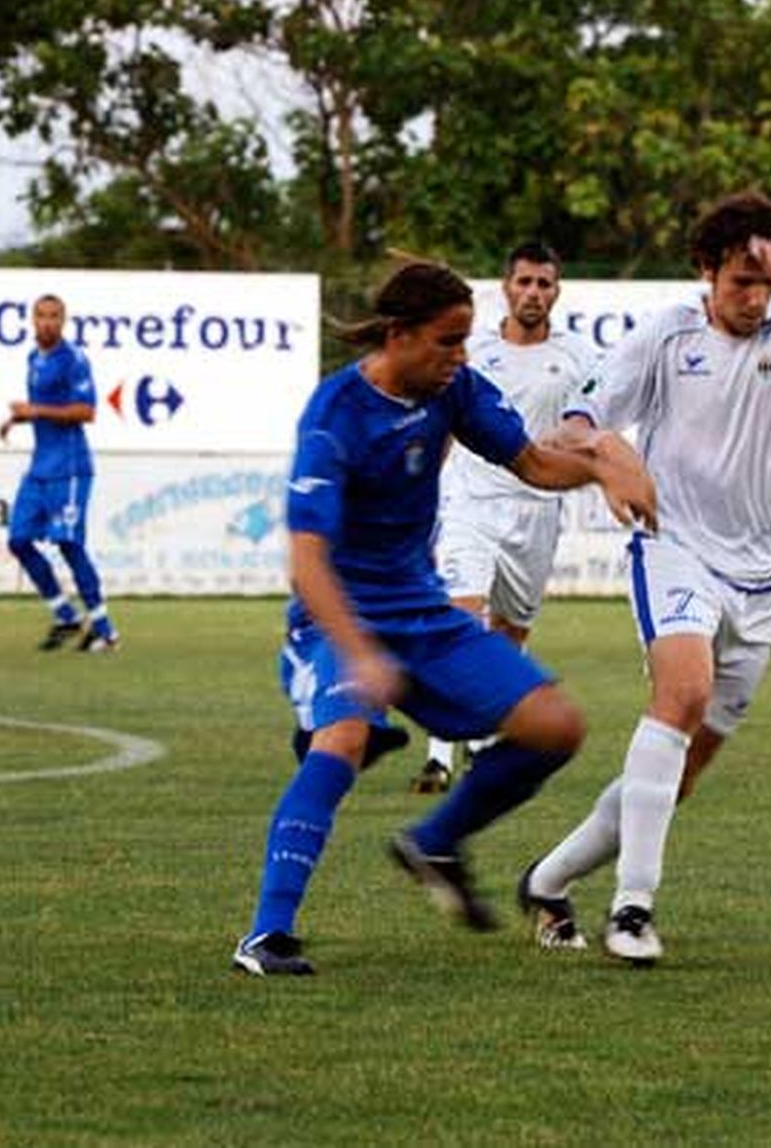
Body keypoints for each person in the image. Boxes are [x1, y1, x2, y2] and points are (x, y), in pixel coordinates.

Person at [518, 191, 771, 963]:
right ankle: (632, 910)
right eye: (742, 280)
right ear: (706, 270)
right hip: (677, 546)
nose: (755, 297)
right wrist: (608, 456)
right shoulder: (666, 337)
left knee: (687, 766)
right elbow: (574, 424)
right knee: (683, 693)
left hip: (766, 579)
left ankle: (548, 877)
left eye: (767, 282)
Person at [232, 260, 656, 977]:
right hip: (336, 612)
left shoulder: (452, 388)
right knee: (341, 738)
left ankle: (437, 841)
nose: (460, 357)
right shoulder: (335, 416)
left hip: (421, 610)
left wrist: (602, 464)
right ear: (398, 335)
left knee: (556, 726)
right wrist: (358, 654)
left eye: (464, 341)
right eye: (447, 341)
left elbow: (529, 460)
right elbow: (307, 561)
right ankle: (268, 934)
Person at [411, 241, 596, 795]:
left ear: (556, 290)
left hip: (537, 510)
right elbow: (443, 422)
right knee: (462, 619)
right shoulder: (473, 352)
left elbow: (590, 426)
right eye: (524, 282)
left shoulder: (579, 357)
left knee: (509, 634)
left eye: (544, 283)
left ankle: (484, 737)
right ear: (506, 287)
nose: (533, 293)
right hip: (472, 501)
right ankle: (441, 753)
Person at [0, 294, 120, 653]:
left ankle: (105, 629)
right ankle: (65, 615)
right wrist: (18, 418)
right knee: (18, 540)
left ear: (63, 321)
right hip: (40, 467)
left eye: (54, 316)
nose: (47, 322)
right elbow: (44, 411)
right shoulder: (33, 358)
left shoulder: (74, 359)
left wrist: (34, 410)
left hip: (69, 469)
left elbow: (86, 411)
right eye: (41, 316)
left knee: (68, 543)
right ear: (32, 320)